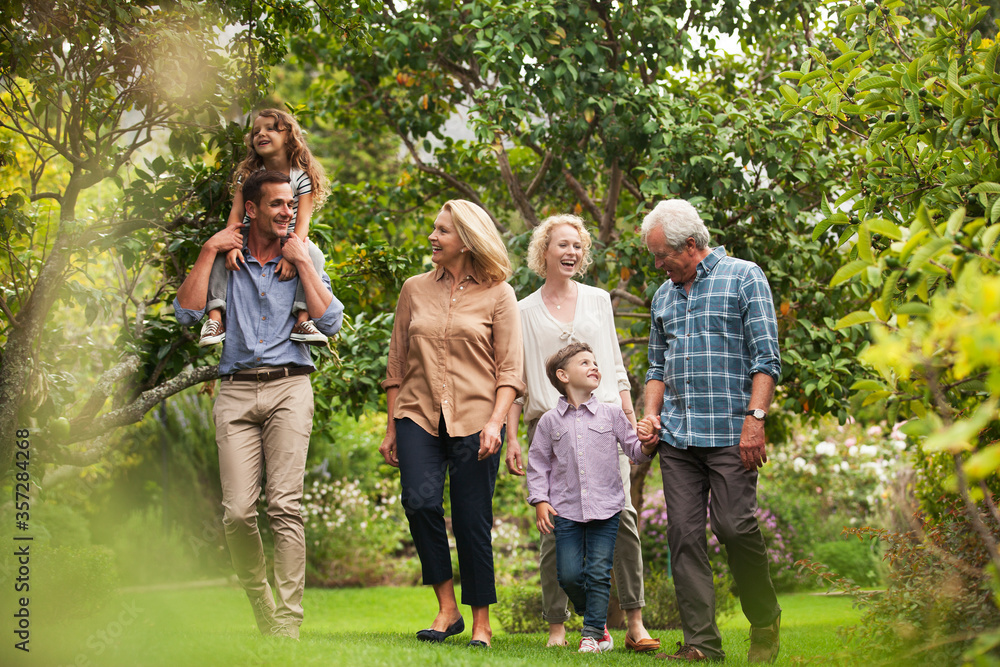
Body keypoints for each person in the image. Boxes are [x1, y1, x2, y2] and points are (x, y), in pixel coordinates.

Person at [173, 170, 344, 639]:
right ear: (251, 209)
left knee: (285, 506)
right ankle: (262, 603)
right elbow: (186, 313)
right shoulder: (227, 257)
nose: (288, 212)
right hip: (235, 389)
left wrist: (304, 263)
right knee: (237, 512)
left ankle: (287, 622)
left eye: (291, 204)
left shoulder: (304, 252)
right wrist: (208, 249)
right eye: (276, 205)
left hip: (290, 386)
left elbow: (330, 324)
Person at [505, 214, 661, 652]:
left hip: (604, 421)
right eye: (562, 245)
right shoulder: (523, 310)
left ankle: (634, 622)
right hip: (548, 425)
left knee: (623, 519)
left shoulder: (598, 300)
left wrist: (631, 418)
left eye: (577, 245)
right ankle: (558, 625)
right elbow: (517, 381)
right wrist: (513, 437)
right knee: (555, 525)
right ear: (544, 251)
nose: (571, 252)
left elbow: (613, 366)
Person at [635, 199, 782, 663]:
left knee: (734, 527)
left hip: (731, 433)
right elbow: (656, 366)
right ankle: (701, 643)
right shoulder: (663, 296)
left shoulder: (744, 277)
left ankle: (764, 619)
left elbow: (767, 358)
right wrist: (652, 415)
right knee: (683, 533)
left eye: (662, 256)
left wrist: (755, 421)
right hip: (678, 437)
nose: (658, 265)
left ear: (692, 246)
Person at [379, 199, 524, 648]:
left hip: (478, 418)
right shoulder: (413, 289)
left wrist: (497, 423)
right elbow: (396, 363)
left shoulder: (499, 293)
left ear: (466, 238)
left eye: (442, 231)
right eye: (433, 229)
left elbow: (510, 371)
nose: (432, 237)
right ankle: (447, 608)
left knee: (471, 519)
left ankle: (481, 621)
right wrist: (390, 427)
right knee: (419, 502)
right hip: (417, 413)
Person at [526, 342, 658, 653]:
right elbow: (538, 464)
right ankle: (598, 623)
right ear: (563, 375)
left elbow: (634, 452)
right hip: (566, 511)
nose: (594, 367)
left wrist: (648, 444)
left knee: (599, 572)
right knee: (569, 575)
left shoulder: (611, 414)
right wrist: (540, 500)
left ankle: (592, 635)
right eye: (585, 363)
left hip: (607, 508)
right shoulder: (549, 422)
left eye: (595, 362)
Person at [198, 108, 330, 348]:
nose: (261, 134)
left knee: (314, 255)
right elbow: (236, 215)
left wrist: (292, 256)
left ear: (289, 136)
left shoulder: (301, 176)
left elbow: (302, 223)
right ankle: (215, 319)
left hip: (289, 237)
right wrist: (231, 245)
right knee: (216, 251)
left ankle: (303, 319)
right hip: (251, 235)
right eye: (256, 131)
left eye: (270, 128)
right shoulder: (248, 174)